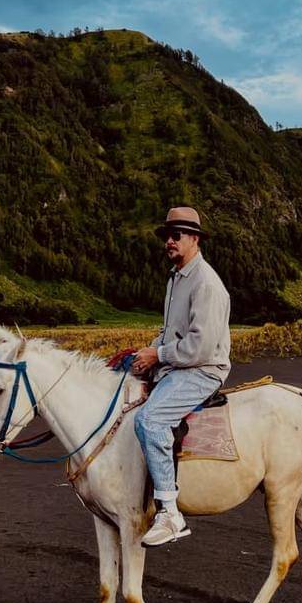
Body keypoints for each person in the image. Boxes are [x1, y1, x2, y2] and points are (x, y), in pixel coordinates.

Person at [132, 206, 231, 547]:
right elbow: (171, 332)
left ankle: (170, 513)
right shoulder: (176, 278)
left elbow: (199, 348)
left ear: (194, 239)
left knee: (150, 419)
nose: (168, 243)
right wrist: (146, 353)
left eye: (176, 236)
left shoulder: (206, 284)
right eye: (166, 236)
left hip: (203, 370)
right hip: (180, 364)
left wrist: (157, 355)